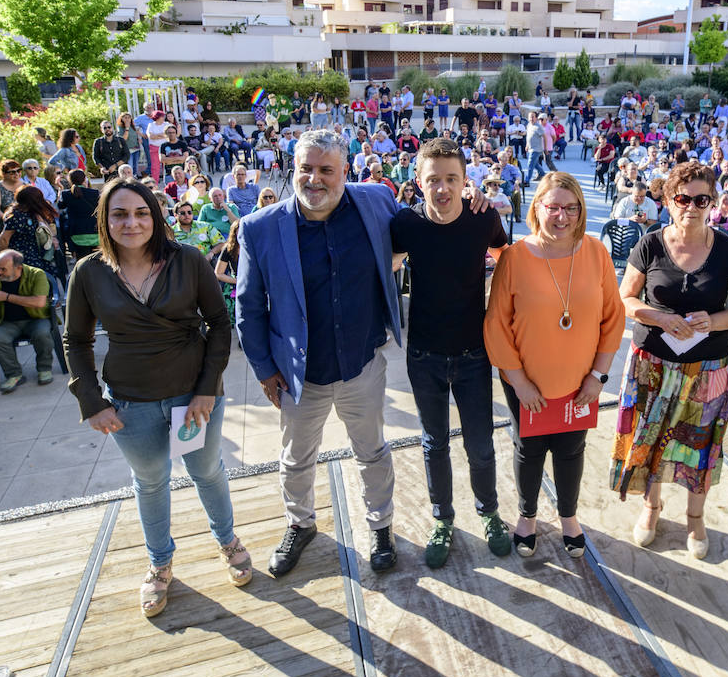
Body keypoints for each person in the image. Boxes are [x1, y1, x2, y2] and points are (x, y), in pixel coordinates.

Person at [63, 178, 248, 617]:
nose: (132, 222)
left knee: (205, 470)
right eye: (120, 214)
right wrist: (91, 399)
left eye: (141, 212)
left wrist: (207, 389)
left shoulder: (186, 260)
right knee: (150, 480)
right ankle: (160, 563)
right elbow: (76, 340)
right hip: (132, 401)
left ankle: (228, 540)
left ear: (156, 216)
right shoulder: (89, 272)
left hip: (192, 395)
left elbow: (220, 324)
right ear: (105, 221)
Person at [236, 129, 406, 578]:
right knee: (295, 460)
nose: (314, 179)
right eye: (305, 168)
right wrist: (264, 369)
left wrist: (479, 209)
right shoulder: (260, 228)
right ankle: (300, 524)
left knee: (372, 452)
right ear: (293, 168)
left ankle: (381, 527)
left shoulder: (376, 202)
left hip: (362, 366)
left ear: (344, 171)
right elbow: (248, 307)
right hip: (299, 374)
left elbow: (423, 224)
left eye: (325, 170)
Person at [612, 163, 728, 558]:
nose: (692, 206)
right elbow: (625, 299)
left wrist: (713, 321)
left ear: (712, 202)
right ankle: (651, 508)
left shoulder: (727, 249)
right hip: (652, 364)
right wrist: (660, 317)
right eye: (683, 198)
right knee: (652, 437)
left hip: (709, 367)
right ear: (668, 200)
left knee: (699, 445)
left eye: (701, 199)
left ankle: (696, 519)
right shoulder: (651, 244)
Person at [484, 172, 622, 559]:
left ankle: (568, 518)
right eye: (554, 207)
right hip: (525, 380)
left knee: (571, 448)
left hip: (581, 381)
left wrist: (598, 376)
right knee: (528, 448)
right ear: (537, 208)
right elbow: (496, 325)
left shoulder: (596, 252)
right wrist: (520, 382)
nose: (562, 216)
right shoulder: (514, 257)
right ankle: (527, 517)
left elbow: (613, 318)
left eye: (571, 208)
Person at [389, 139, 512, 568]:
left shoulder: (483, 218)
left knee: (480, 444)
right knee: (433, 443)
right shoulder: (406, 223)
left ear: (465, 181)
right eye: (433, 180)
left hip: (474, 354)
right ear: (418, 182)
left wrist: (501, 306)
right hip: (423, 354)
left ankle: (489, 513)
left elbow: (505, 255)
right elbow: (387, 265)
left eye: (451, 179)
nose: (442, 188)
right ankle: (443, 520)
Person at [0, 250, 55, 393]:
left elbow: (40, 302)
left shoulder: (36, 274)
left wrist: (7, 297)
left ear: (18, 268)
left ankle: (44, 368)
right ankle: (14, 374)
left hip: (35, 318)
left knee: (42, 334)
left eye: (3, 269)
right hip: (6, 321)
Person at [0, 185, 63, 297]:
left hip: (36, 254)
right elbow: (3, 239)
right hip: (23, 257)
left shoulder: (32, 213)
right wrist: (5, 259)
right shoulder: (17, 215)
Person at [59, 168, 102, 261]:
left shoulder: (66, 194)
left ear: (70, 180)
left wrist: (60, 191)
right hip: (95, 233)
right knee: (97, 263)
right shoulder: (95, 193)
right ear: (84, 179)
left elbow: (60, 206)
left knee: (82, 264)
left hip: (76, 234)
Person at [0, 159, 25, 249]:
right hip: (0, 225)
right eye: (12, 172)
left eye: (18, 171)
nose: (16, 174)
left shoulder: (25, 185)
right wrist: (7, 219)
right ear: (4, 174)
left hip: (20, 224)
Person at [145, 108, 170, 178]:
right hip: (154, 147)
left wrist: (157, 135)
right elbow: (151, 136)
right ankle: (155, 182)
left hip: (165, 147)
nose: (163, 118)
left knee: (167, 164)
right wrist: (162, 135)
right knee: (155, 166)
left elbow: (168, 134)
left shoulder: (166, 124)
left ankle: (168, 181)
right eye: (162, 116)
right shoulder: (151, 125)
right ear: (157, 117)